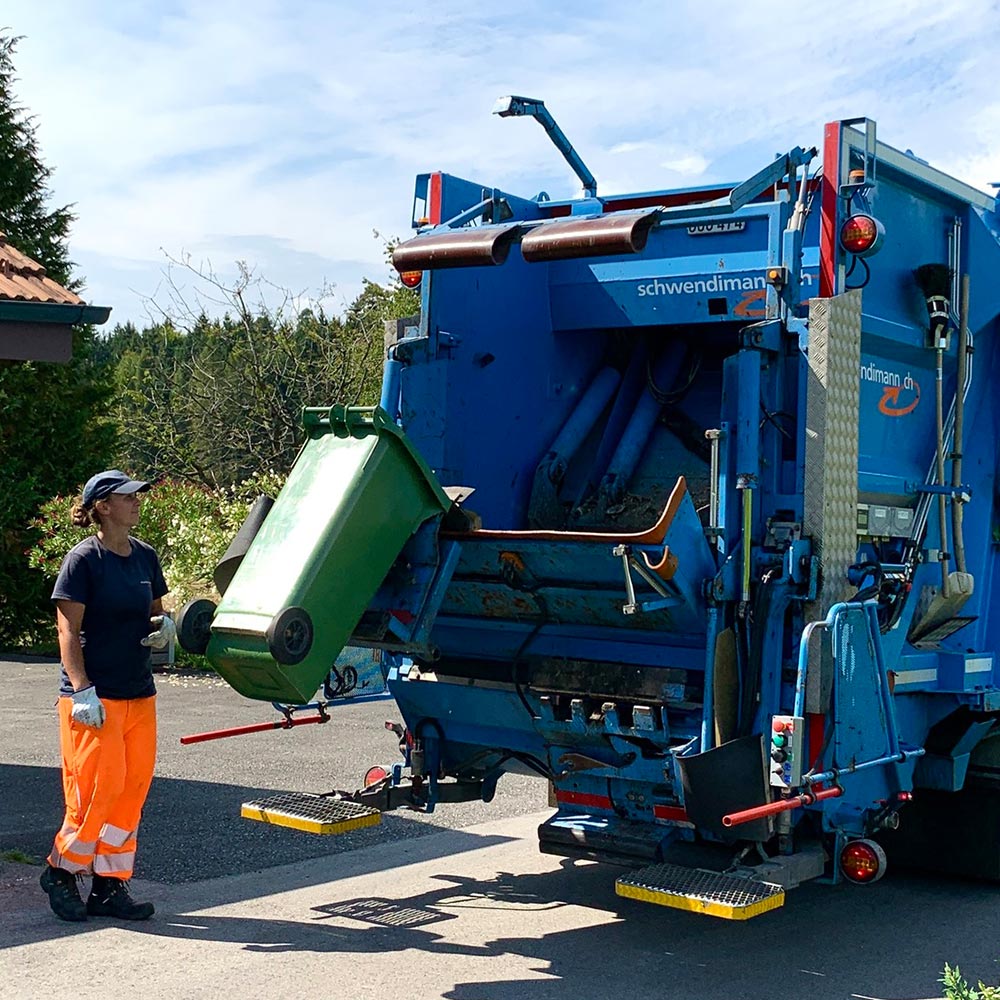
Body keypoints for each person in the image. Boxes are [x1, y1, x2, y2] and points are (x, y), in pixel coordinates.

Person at [39, 469, 174, 922]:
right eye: (128, 497)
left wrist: (165, 629)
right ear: (102, 506)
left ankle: (109, 886)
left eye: (137, 496)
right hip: (94, 699)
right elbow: (67, 630)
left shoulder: (145, 558)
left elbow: (155, 614)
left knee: (130, 791)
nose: (138, 502)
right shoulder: (83, 560)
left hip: (139, 693)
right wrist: (81, 691)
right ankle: (61, 871)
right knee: (95, 791)